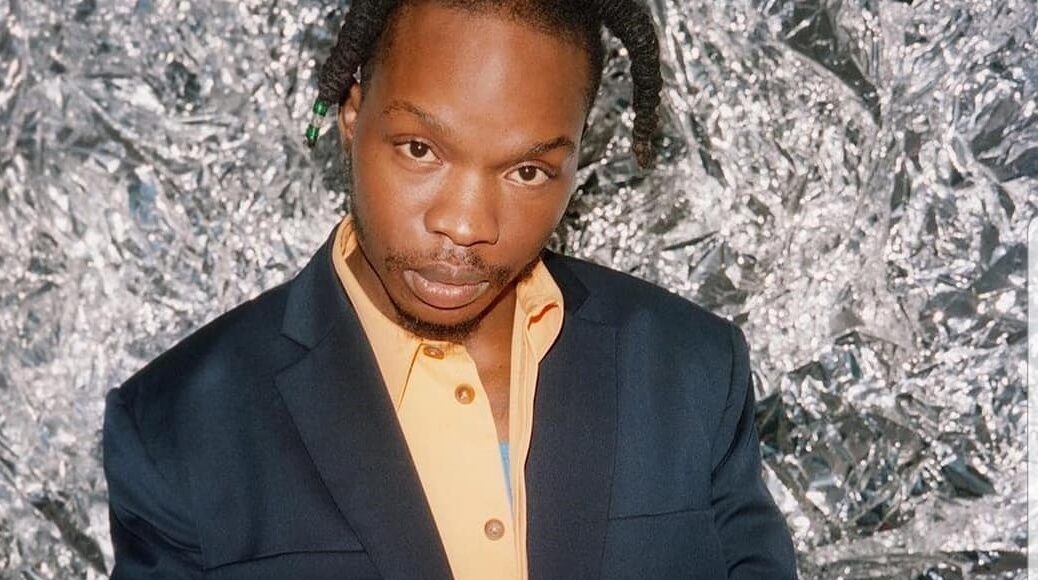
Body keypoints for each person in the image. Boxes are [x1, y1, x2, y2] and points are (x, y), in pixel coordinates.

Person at [101, 0, 799, 578]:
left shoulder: (693, 370)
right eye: (420, 149)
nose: (466, 225)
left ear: (577, 161)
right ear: (352, 115)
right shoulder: (177, 431)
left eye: (527, 171)